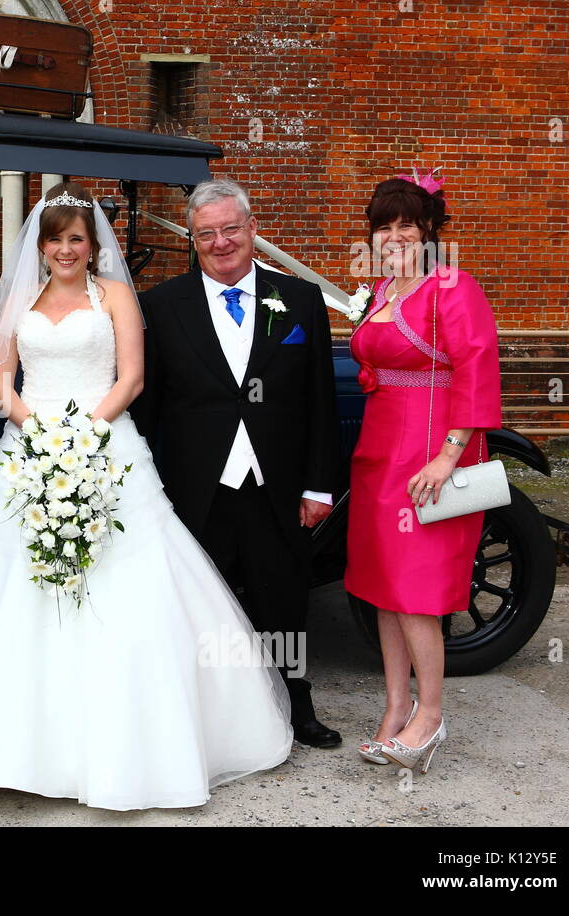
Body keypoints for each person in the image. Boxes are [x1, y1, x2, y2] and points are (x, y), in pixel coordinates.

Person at [0, 182, 292, 811]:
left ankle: (129, 749)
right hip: (30, 447)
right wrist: (37, 433)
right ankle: (3, 747)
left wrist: (86, 434)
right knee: (10, 584)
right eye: (55, 239)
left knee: (127, 579)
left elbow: (134, 376)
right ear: (42, 244)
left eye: (76, 240)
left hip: (105, 442)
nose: (65, 249)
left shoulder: (114, 295)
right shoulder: (21, 299)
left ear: (93, 247)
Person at [133, 178, 342, 749]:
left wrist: (320, 486)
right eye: (206, 234)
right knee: (202, 609)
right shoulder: (159, 306)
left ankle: (298, 705)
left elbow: (321, 400)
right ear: (193, 242)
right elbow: (149, 411)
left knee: (283, 598)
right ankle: (212, 722)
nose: (221, 243)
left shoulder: (298, 301)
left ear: (252, 229)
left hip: (278, 485)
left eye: (230, 229)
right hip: (194, 488)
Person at [345, 173, 500, 773]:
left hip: (432, 453)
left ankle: (430, 717)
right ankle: (394, 708)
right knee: (384, 590)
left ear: (429, 227)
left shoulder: (453, 287)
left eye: (406, 223)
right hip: (379, 448)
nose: (394, 235)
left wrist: (448, 456)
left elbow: (475, 368)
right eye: (383, 225)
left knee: (416, 594)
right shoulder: (383, 287)